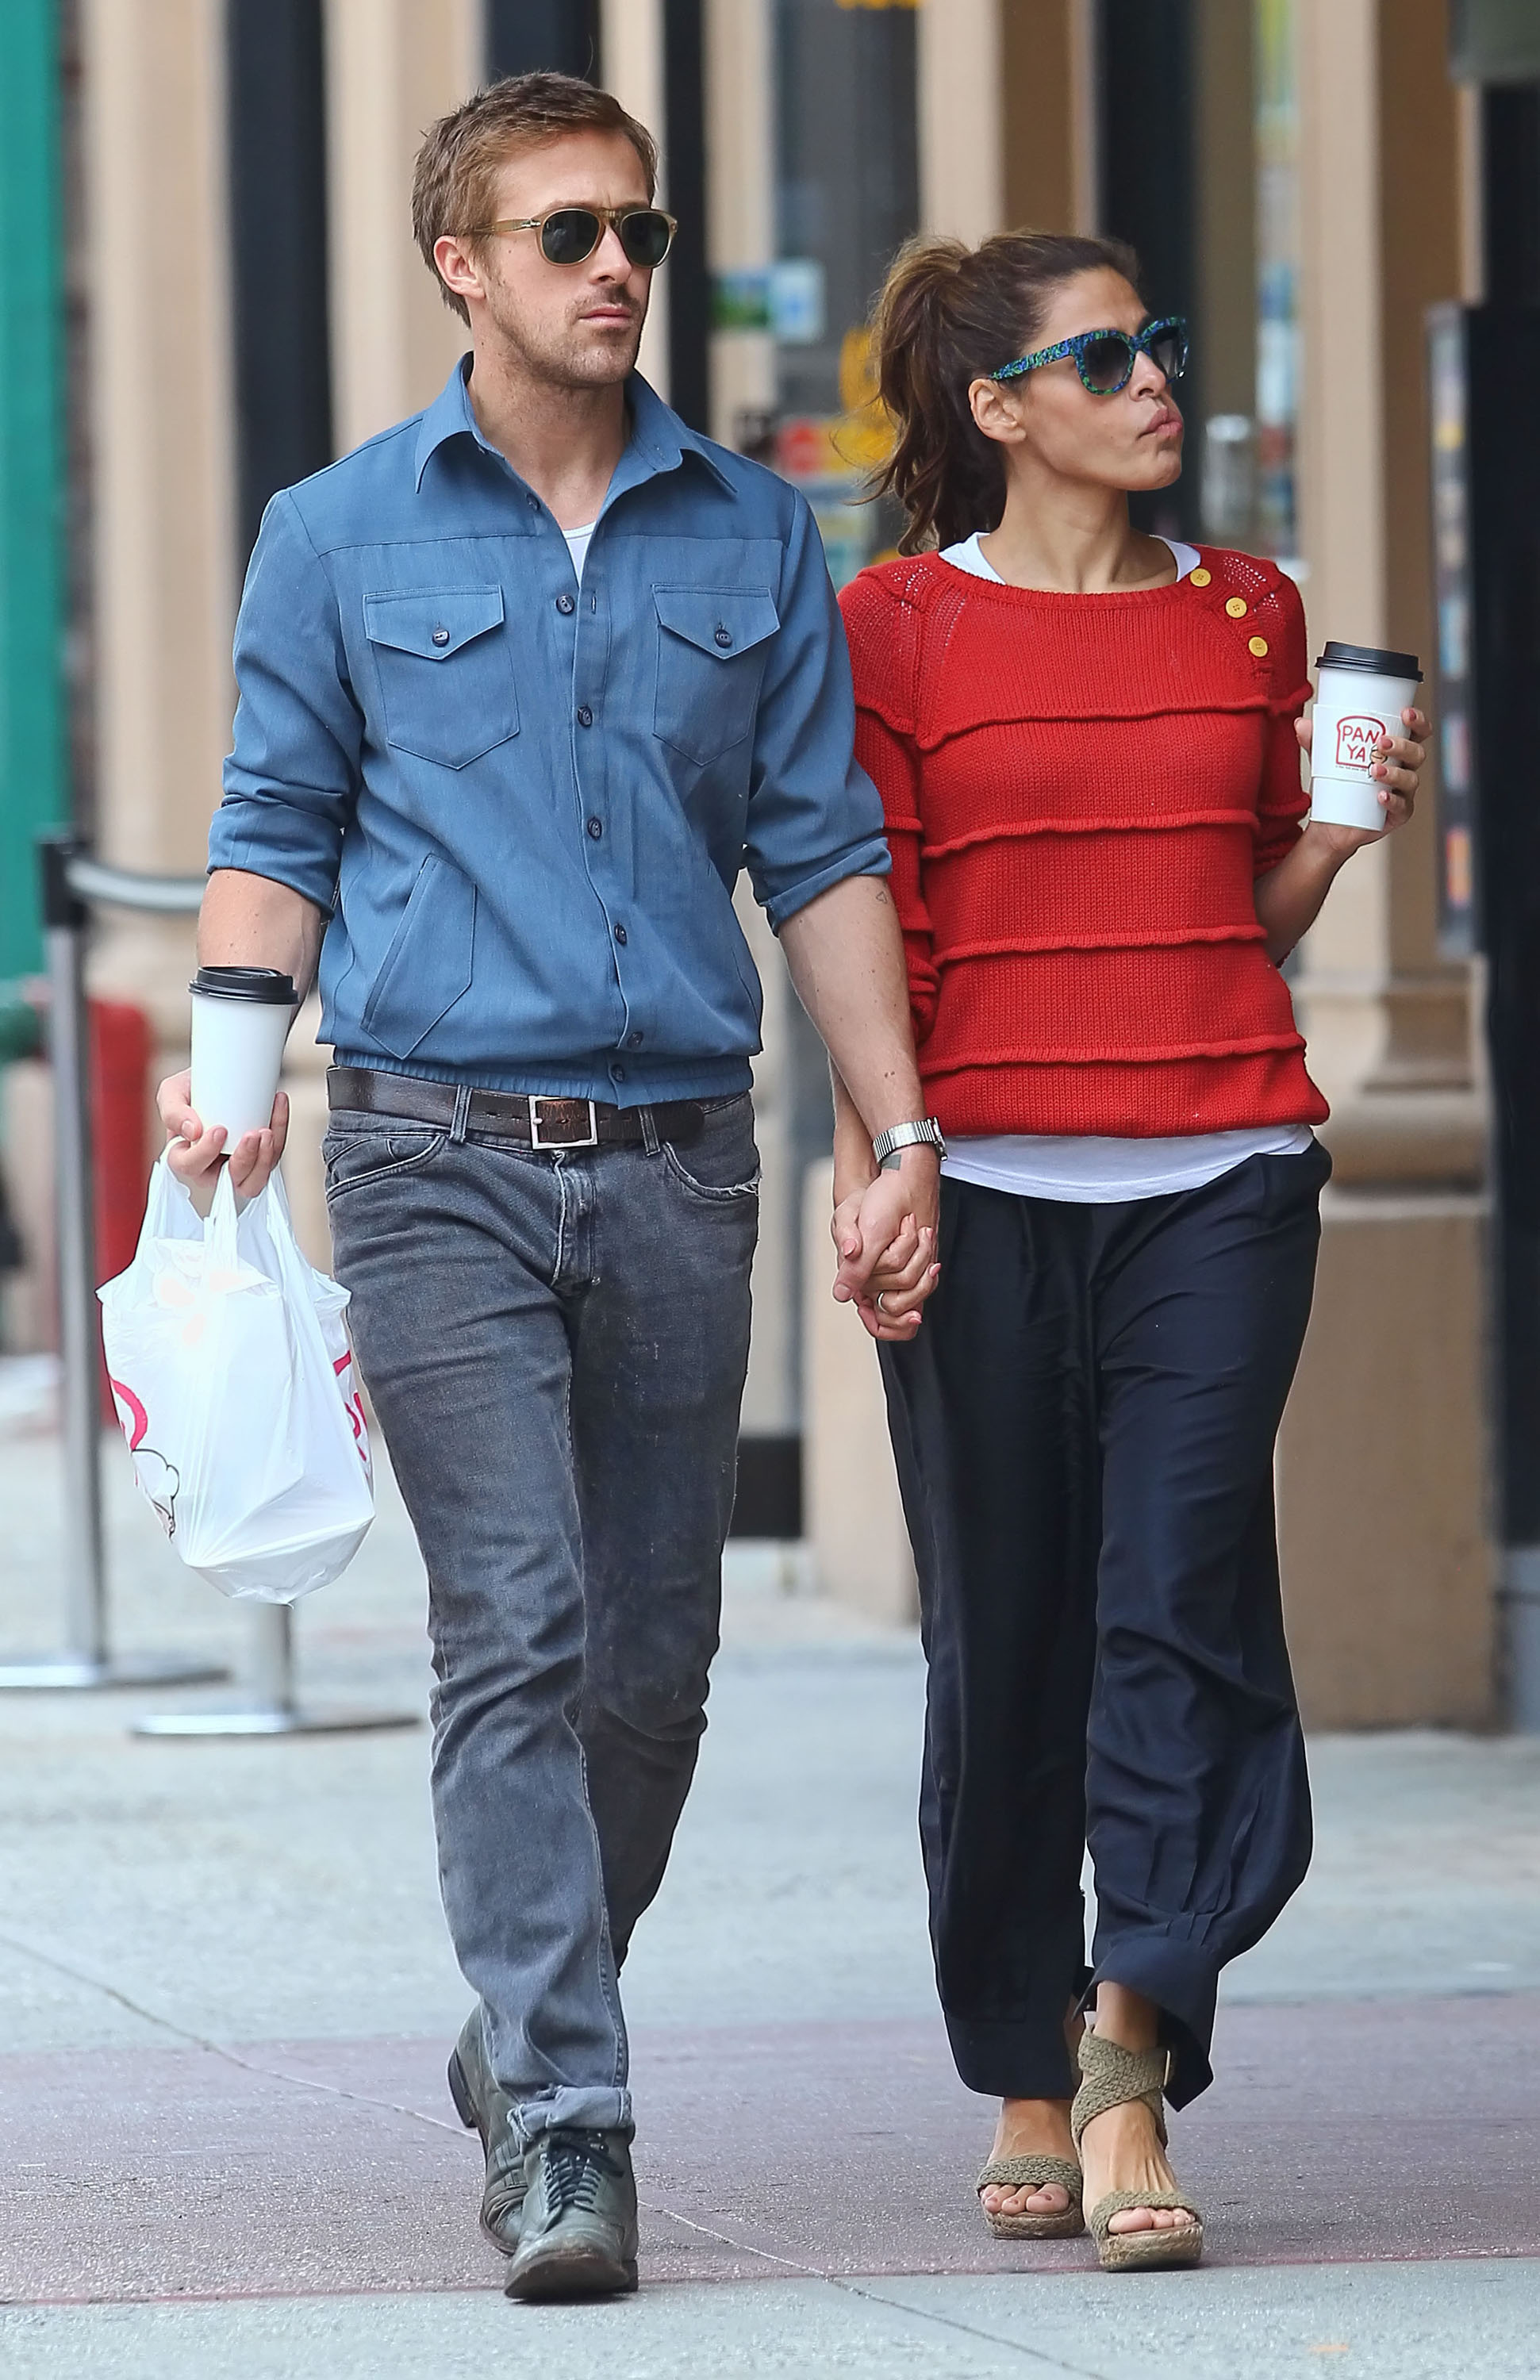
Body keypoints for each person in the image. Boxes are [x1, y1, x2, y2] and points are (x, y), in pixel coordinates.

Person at [156, 72, 941, 2302]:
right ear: (462, 264)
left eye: (641, 233)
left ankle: (515, 2018)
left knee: (654, 1669)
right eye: (571, 231)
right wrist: (227, 1081)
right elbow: (271, 827)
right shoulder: (336, 533)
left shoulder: (747, 535)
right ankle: (573, 2127)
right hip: (429, 1154)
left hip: (687, 1159)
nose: (618, 267)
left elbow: (818, 853)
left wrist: (900, 1126)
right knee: (511, 1625)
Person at [835, 231, 1428, 2272]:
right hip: (986, 1184)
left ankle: (1123, 2055)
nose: (1157, 380)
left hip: (1220, 1172)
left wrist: (1334, 841)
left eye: (1161, 346)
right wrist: (880, 1166)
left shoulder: (1249, 616)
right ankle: (1016, 2054)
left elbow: (1228, 922)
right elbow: (867, 942)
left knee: (1177, 1598)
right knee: (1003, 1630)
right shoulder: (893, 626)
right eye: (1107, 357)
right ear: (998, 411)